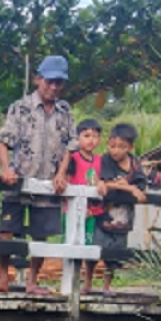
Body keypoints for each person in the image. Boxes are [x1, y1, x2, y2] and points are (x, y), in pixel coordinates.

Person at [0, 55, 76, 295]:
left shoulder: (64, 110)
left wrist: (61, 174)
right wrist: (6, 168)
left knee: (41, 234)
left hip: (48, 182)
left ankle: (32, 282)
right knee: (6, 230)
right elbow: (3, 141)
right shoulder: (20, 107)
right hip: (20, 179)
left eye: (58, 83)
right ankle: (2, 280)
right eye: (49, 81)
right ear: (37, 79)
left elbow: (70, 145)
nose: (53, 87)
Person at [95, 122, 148, 295]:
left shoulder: (135, 164)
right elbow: (106, 182)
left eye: (121, 147)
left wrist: (130, 186)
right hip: (103, 215)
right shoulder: (106, 160)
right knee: (95, 249)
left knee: (115, 254)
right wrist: (129, 187)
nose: (116, 150)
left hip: (124, 219)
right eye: (112, 146)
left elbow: (141, 184)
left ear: (130, 147)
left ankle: (106, 287)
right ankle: (87, 284)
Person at [56, 119, 105, 293]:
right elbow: (65, 179)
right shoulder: (73, 158)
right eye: (86, 136)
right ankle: (68, 282)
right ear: (78, 137)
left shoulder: (99, 161)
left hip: (91, 212)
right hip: (71, 210)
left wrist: (102, 185)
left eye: (95, 136)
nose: (91, 140)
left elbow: (102, 180)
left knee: (89, 247)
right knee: (69, 245)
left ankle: (88, 282)